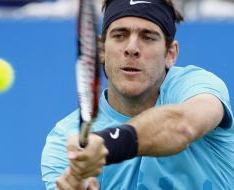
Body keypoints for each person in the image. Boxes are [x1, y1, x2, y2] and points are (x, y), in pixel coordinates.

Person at [41, 0, 234, 189]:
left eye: (148, 37)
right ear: (101, 49)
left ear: (171, 54)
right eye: (120, 35)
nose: (131, 48)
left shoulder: (195, 85)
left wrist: (107, 144)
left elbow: (182, 125)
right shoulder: (63, 140)